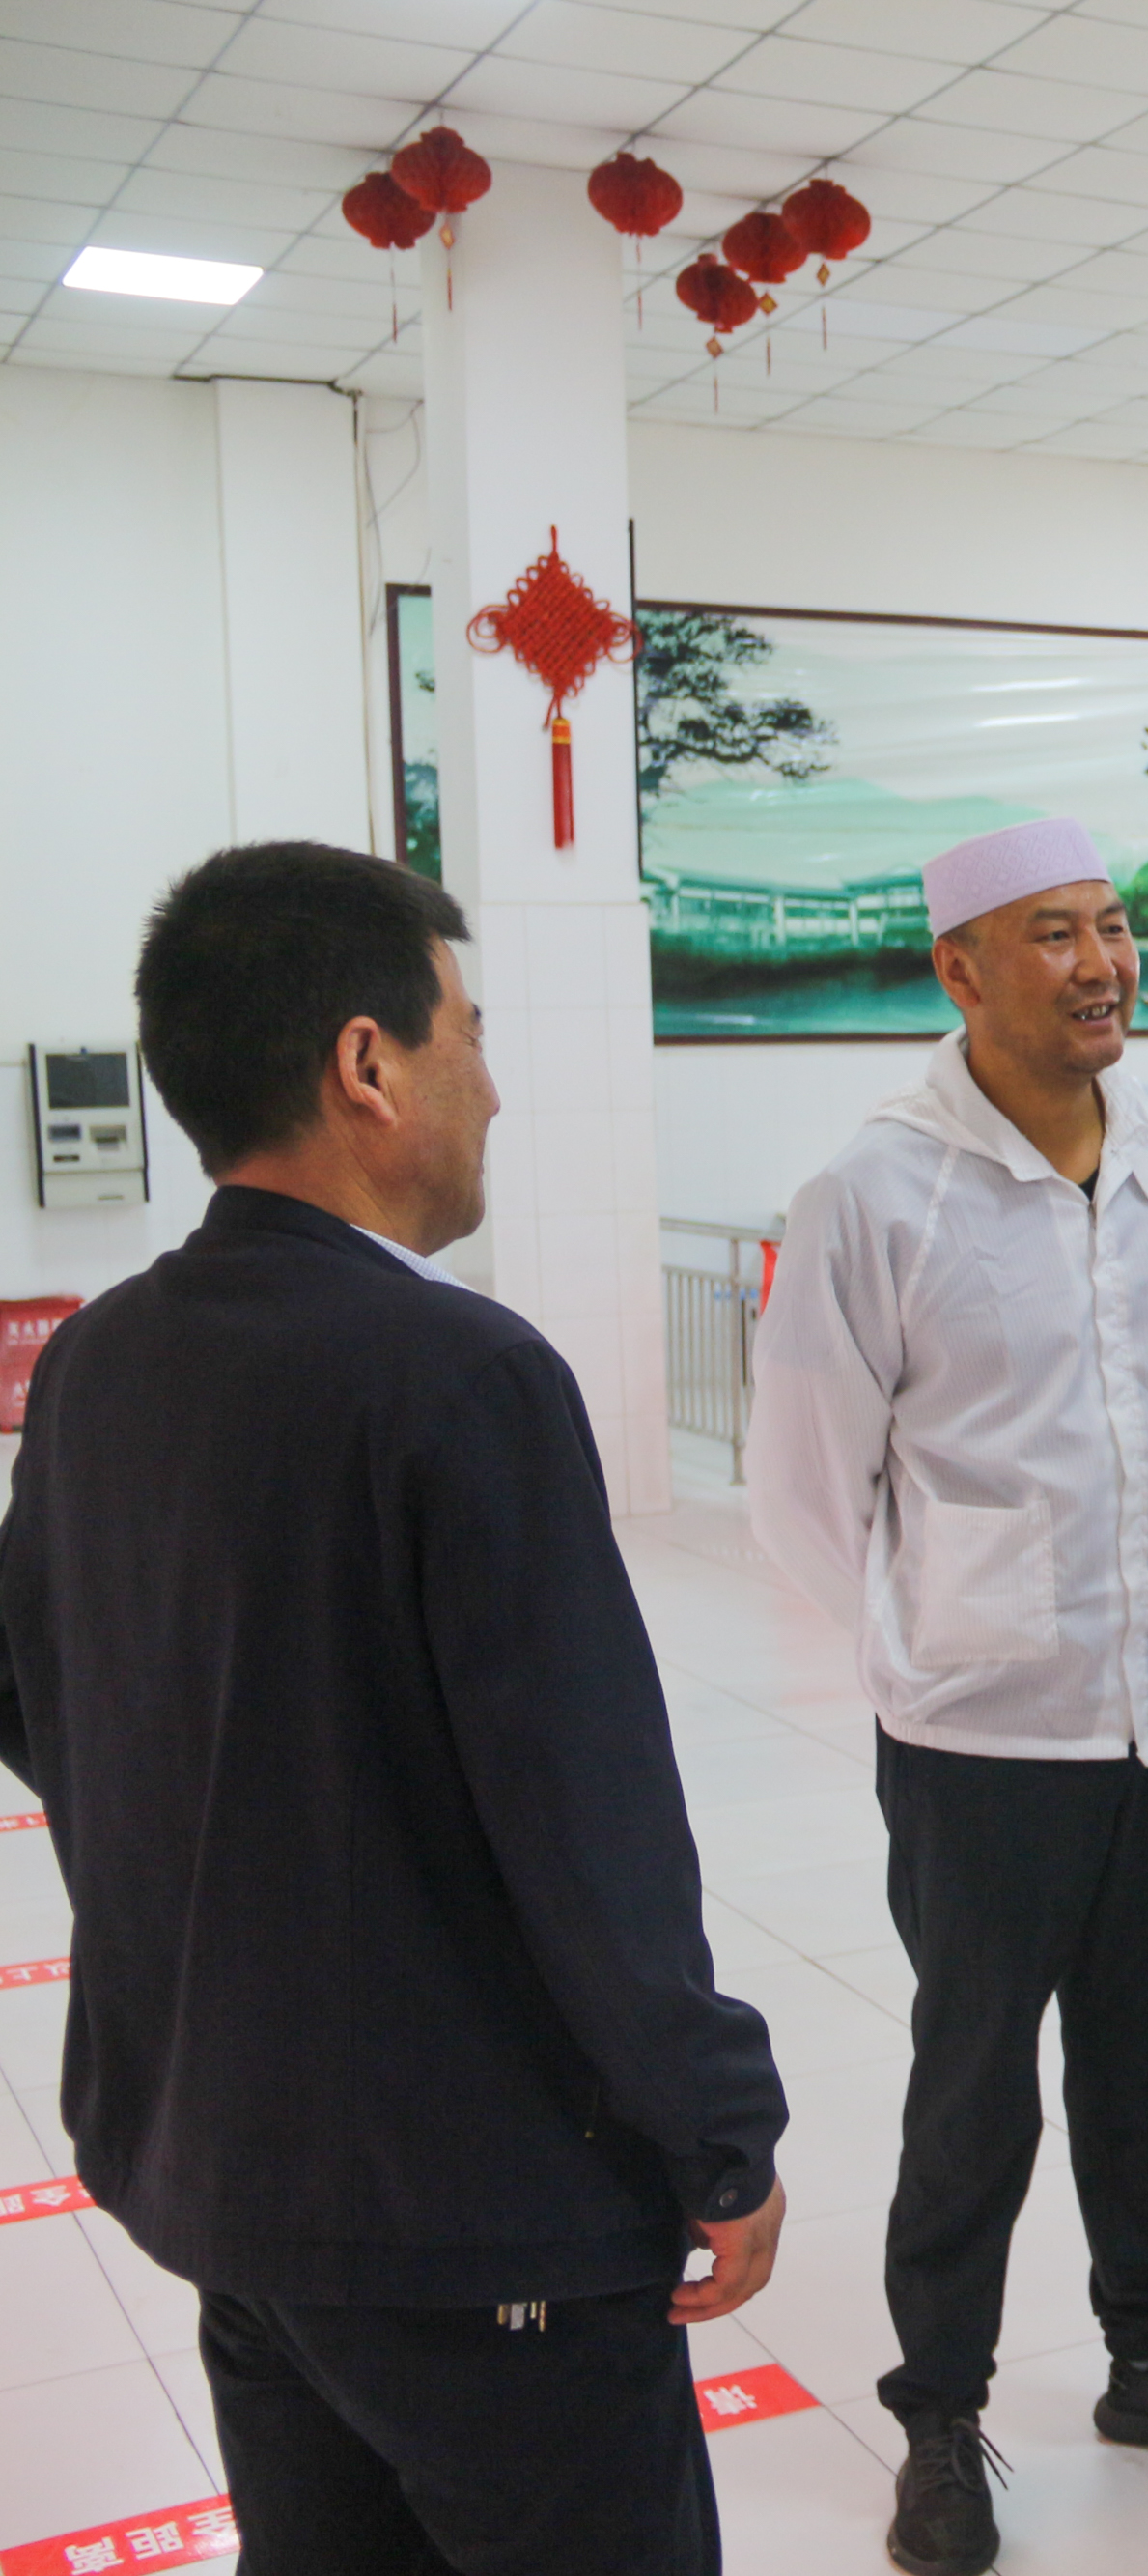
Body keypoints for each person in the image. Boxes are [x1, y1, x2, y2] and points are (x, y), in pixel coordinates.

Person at [0, 843, 788, 2575]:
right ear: (368, 1062)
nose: (490, 1085)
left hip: (234, 2190)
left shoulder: (99, 1359)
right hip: (481, 2227)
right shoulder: (460, 1374)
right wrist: (721, 2131)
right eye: (470, 1032)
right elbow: (589, 1831)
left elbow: (46, 1696)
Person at [748, 819, 1148, 2576]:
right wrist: (933, 1637)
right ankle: (939, 2412)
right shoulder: (874, 1192)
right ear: (961, 970)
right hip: (983, 1731)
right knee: (975, 2085)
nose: (1101, 963)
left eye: (1113, 926)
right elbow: (805, 1477)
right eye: (1052, 933)